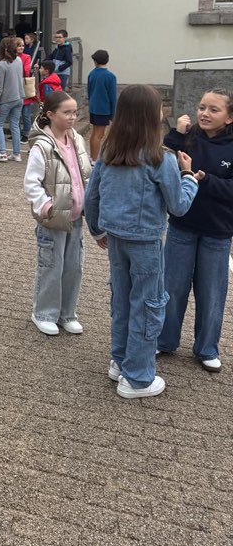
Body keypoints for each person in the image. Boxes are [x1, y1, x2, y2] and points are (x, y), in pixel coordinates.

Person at [84, 85, 200, 399]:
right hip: (146, 242)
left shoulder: (108, 151)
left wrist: (97, 231)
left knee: (122, 301)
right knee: (148, 306)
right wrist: (189, 178)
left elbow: (91, 197)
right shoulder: (161, 158)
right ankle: (137, 377)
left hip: (115, 239)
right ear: (152, 115)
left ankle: (120, 361)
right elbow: (178, 206)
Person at [158, 88, 233, 372]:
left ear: (229, 117)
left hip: (217, 231)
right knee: (172, 287)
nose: (205, 113)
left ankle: (207, 348)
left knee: (211, 293)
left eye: (214, 109)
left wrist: (205, 180)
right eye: (202, 107)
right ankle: (164, 340)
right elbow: (163, 161)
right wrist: (175, 133)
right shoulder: (187, 136)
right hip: (182, 226)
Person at [24, 91, 92, 335]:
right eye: (67, 112)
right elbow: (31, 183)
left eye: (75, 112)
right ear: (51, 115)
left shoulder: (77, 139)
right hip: (53, 219)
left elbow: (85, 171)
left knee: (74, 267)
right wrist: (46, 207)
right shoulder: (41, 146)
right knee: (51, 266)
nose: (73, 117)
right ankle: (43, 313)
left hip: (76, 218)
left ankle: (67, 313)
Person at [0, 36, 24, 163]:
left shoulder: (1, 65)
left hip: (6, 99)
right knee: (15, 124)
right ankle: (16, 153)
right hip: (19, 96)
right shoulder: (19, 60)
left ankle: (2, 152)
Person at [87, 49, 117, 161]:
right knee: (99, 135)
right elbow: (112, 96)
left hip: (93, 107)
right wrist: (113, 114)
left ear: (95, 61)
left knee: (94, 133)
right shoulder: (110, 76)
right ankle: (95, 160)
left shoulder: (91, 74)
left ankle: (92, 157)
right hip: (103, 109)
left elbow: (89, 91)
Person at [15, 36, 36, 142]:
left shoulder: (26, 57)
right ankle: (16, 133)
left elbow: (26, 71)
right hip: (15, 86)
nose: (21, 48)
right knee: (16, 114)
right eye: (19, 46)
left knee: (25, 114)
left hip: (23, 86)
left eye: (23, 46)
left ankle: (26, 134)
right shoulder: (12, 57)